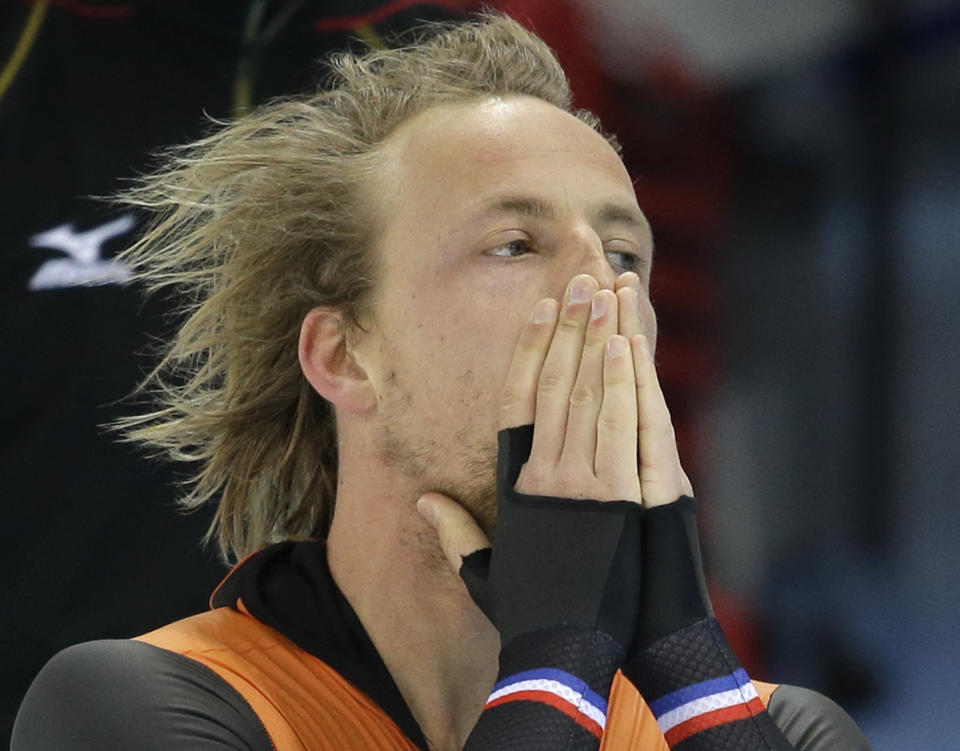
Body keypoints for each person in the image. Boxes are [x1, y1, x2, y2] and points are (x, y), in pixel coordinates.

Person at [12, 14, 873, 751]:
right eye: (514, 245)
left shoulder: (778, 725)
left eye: (623, 254)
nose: (601, 293)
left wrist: (690, 664)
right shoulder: (135, 707)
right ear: (345, 356)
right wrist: (557, 658)